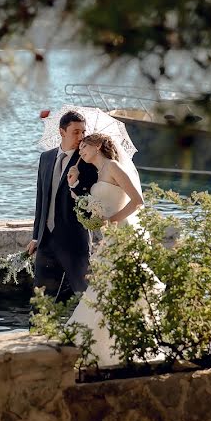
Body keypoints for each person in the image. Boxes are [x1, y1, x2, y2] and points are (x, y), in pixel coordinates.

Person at [65, 132, 147, 367]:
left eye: (84, 146)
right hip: (109, 236)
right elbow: (97, 207)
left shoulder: (113, 166)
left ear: (98, 145)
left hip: (122, 233)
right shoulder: (99, 173)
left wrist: (113, 220)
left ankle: (118, 343)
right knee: (105, 286)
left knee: (114, 285)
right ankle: (104, 344)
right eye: (79, 148)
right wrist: (75, 184)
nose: (80, 151)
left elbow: (137, 200)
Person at [27, 110, 98, 295]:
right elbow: (41, 199)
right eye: (76, 132)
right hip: (46, 242)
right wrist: (36, 237)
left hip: (74, 242)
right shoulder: (46, 158)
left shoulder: (88, 162)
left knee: (84, 297)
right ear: (62, 132)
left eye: (83, 131)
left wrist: (75, 183)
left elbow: (90, 201)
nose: (81, 136)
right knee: (41, 300)